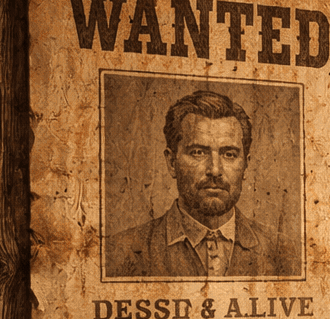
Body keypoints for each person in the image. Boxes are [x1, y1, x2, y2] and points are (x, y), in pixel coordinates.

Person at [105, 90, 299, 278]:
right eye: (198, 152)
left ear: (245, 165)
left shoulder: (285, 254)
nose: (215, 170)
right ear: (172, 163)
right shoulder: (120, 253)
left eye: (229, 154)